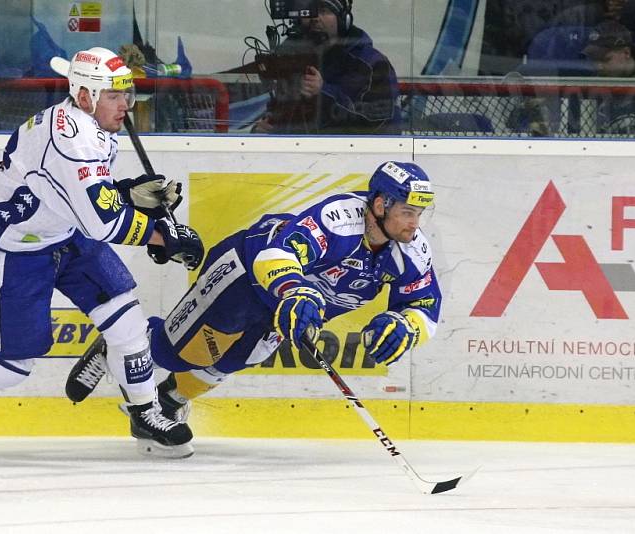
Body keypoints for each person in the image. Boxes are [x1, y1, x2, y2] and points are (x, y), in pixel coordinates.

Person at [0, 47, 205, 459]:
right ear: (85, 95)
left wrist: (126, 193)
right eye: (114, 95)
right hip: (14, 246)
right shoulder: (72, 141)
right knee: (8, 369)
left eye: (127, 92)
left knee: (126, 315)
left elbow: (79, 198)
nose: (126, 103)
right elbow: (103, 224)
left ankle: (144, 412)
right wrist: (165, 235)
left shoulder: (89, 124)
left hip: (63, 232)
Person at [66, 161, 442, 448]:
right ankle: (123, 343)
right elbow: (277, 253)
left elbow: (425, 301)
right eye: (408, 212)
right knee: (180, 355)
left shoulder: (410, 249)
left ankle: (168, 399)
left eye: (418, 214)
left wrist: (407, 325)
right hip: (246, 273)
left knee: (233, 360)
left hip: (288, 306)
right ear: (380, 204)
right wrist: (295, 289)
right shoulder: (340, 220)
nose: (414, 223)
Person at [252, 0, 400, 134]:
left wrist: (323, 92)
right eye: (309, 11)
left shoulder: (372, 64)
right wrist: (264, 130)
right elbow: (280, 113)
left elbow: (380, 123)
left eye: (324, 11)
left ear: (343, 19)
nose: (315, 18)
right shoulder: (291, 57)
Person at [582, 20, 635, 134]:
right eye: (594, 60)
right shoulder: (595, 80)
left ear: (626, 53)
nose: (598, 66)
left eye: (605, 59)